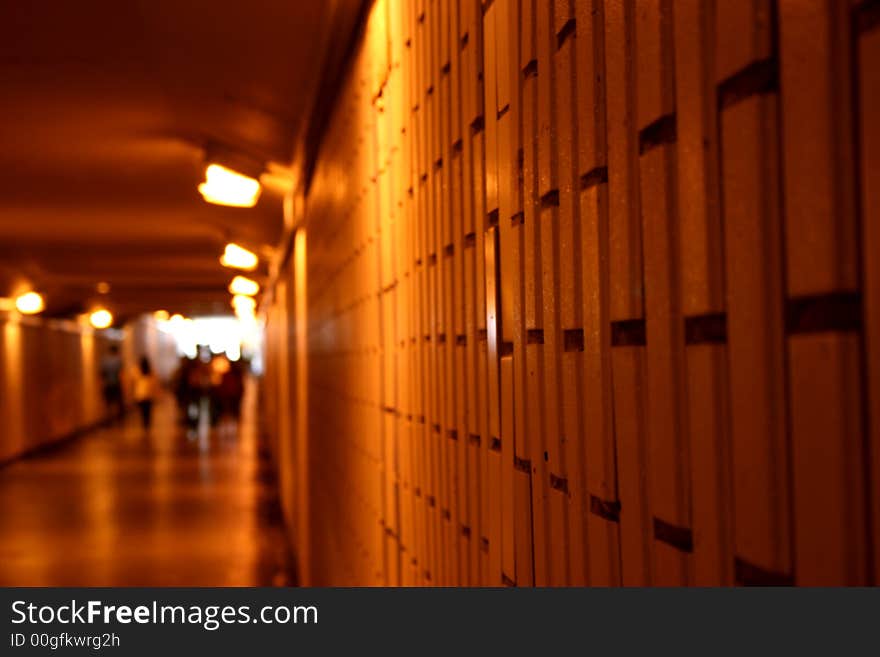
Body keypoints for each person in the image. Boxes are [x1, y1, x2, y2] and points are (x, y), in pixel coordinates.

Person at [133, 356, 159, 430]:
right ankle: (147, 423)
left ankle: (144, 423)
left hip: (140, 393)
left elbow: (134, 380)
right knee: (148, 410)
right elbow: (154, 382)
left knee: (142, 410)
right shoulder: (150, 371)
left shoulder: (137, 371)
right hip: (149, 393)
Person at [99, 344, 124, 421]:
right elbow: (121, 374)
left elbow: (102, 373)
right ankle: (118, 419)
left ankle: (108, 419)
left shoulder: (104, 360)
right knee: (118, 403)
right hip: (116, 384)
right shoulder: (118, 360)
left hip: (107, 384)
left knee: (108, 404)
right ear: (116, 351)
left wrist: (101, 384)